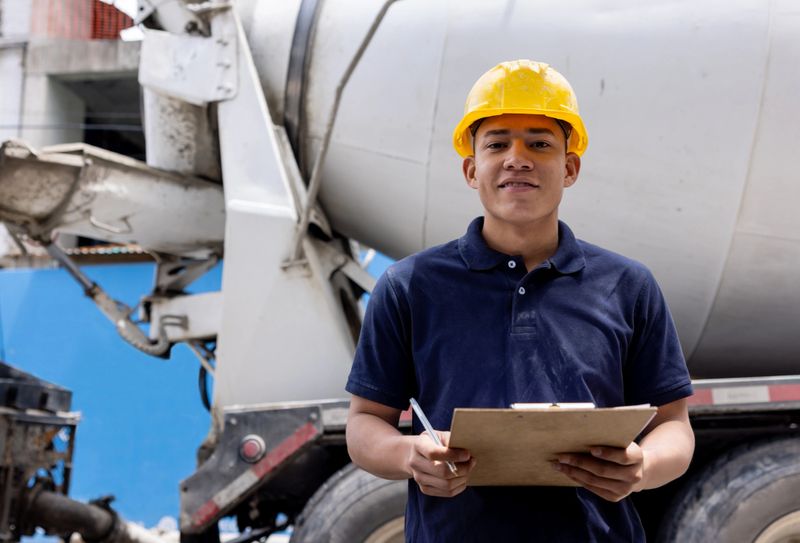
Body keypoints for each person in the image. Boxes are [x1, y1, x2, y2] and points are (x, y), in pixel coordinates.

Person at [345, 60, 695, 542]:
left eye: (539, 143)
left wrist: (645, 465)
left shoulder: (628, 286)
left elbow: (675, 425)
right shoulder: (409, 286)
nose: (517, 158)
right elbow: (364, 424)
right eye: (496, 144)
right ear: (472, 169)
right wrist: (410, 455)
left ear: (569, 167)